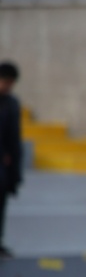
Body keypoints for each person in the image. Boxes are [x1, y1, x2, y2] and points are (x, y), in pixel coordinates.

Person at [0, 61, 23, 259]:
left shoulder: (11, 104)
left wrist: (15, 171)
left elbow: (14, 139)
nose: (7, 86)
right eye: (5, 81)